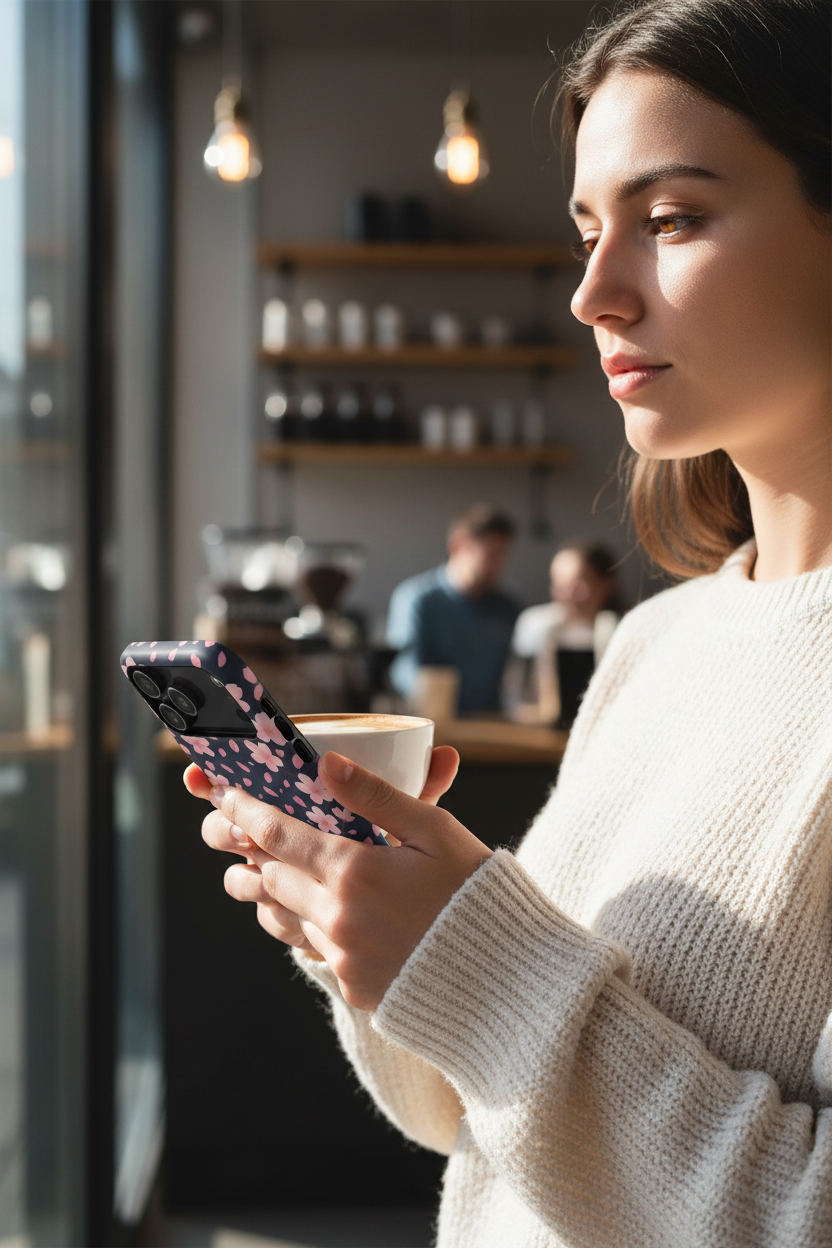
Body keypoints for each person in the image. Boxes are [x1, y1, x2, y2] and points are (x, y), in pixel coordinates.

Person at [185, 1, 832, 1243]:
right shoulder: (657, 647)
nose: (593, 292)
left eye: (671, 219)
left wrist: (479, 955)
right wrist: (373, 929)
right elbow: (472, 1113)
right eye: (589, 229)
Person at [385, 503, 520, 714]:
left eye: (504, 555)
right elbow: (405, 672)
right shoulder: (417, 600)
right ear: (458, 546)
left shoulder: (507, 609)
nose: (499, 564)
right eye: (492, 554)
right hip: (434, 727)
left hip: (493, 732)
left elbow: (515, 678)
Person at [508, 540, 623, 723]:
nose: (567, 594)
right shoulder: (536, 627)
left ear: (605, 584)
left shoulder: (622, 631)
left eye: (577, 585)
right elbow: (517, 697)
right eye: (559, 585)